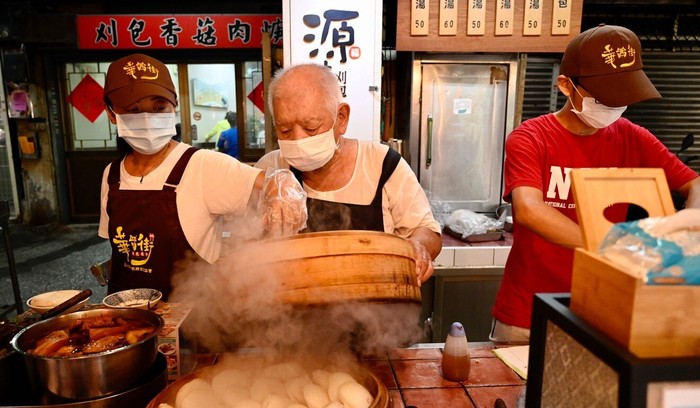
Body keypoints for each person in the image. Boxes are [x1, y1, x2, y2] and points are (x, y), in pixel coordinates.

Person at [491, 24, 700, 342]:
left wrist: (689, 227)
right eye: (605, 98)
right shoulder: (531, 137)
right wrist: (615, 244)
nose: (614, 107)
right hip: (527, 316)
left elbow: (694, 183)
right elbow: (530, 210)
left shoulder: (633, 137)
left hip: (602, 312)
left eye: (623, 96)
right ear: (565, 85)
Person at [98, 53, 306, 299]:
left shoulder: (202, 165)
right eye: (133, 110)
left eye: (159, 107)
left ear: (174, 107)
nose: (147, 117)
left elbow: (269, 181)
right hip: (127, 323)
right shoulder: (111, 175)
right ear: (112, 114)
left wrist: (281, 182)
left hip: (192, 325)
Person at [255, 63, 442, 286]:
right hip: (290, 311)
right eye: (285, 130)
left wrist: (418, 246)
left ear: (341, 117)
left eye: (311, 127)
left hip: (375, 311)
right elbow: (245, 247)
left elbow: (428, 232)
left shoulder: (383, 164)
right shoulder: (269, 168)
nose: (298, 139)